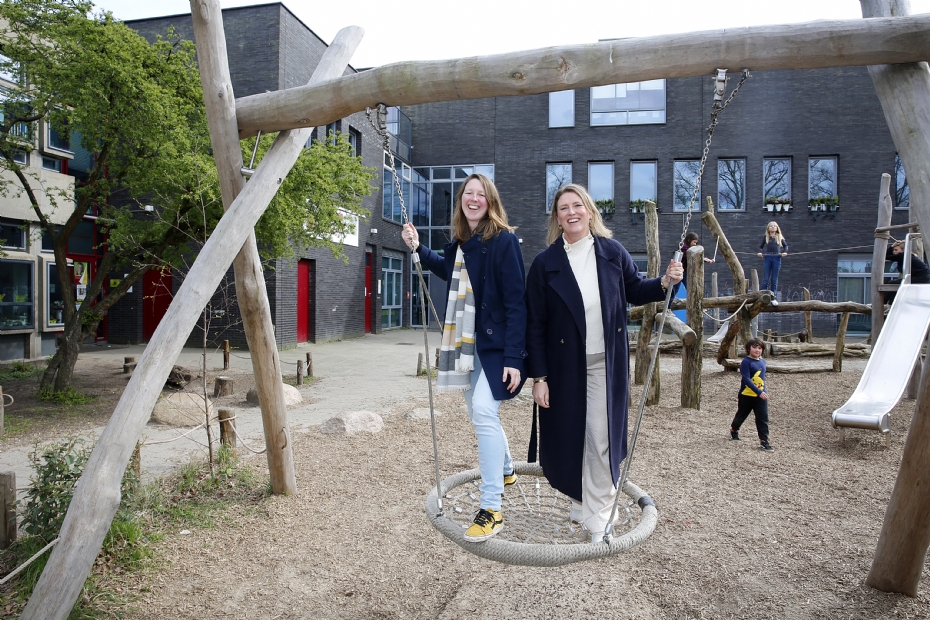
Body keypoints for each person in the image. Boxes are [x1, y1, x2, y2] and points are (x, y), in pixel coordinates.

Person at [525, 183, 683, 543]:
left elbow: (636, 289)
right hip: (563, 369)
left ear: (590, 210)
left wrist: (664, 282)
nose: (571, 212)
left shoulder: (611, 252)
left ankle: (598, 518)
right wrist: (539, 376)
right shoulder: (545, 264)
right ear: (557, 217)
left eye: (577, 205)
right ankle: (582, 499)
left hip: (605, 363)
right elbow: (534, 324)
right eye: (563, 208)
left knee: (601, 437)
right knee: (570, 438)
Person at [401, 173, 527, 543]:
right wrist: (418, 248)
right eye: (467, 194)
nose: (473, 199)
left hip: (495, 346)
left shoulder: (504, 242)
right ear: (462, 201)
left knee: (485, 412)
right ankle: (505, 468)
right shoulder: (462, 242)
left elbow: (517, 303)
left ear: (490, 201)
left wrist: (515, 358)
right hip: (466, 343)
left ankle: (492, 508)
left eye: (480, 194)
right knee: (476, 412)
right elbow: (446, 269)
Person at [729, 337, 773, 452]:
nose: (757, 350)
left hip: (760, 396)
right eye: (754, 347)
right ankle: (734, 429)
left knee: (763, 418)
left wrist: (763, 391)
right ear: (749, 349)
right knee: (742, 414)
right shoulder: (746, 362)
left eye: (759, 348)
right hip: (746, 395)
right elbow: (746, 379)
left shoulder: (763, 361)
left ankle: (764, 441)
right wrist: (758, 392)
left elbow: (762, 379)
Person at [883, 239, 930, 305]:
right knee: (896, 283)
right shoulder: (906, 256)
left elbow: (886, 256)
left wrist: (891, 246)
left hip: (921, 278)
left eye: (896, 250)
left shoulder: (902, 255)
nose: (894, 252)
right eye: (894, 250)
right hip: (921, 277)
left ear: (903, 250)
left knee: (892, 283)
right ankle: (891, 303)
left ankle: (883, 302)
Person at [757, 222, 788, 306]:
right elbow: (760, 247)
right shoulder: (766, 237)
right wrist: (760, 252)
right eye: (771, 226)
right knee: (766, 278)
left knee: (774, 279)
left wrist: (785, 252)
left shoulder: (779, 237)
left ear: (777, 228)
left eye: (774, 226)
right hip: (768, 256)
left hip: (777, 257)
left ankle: (773, 298)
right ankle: (762, 295)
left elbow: (786, 246)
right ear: (768, 228)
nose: (773, 227)